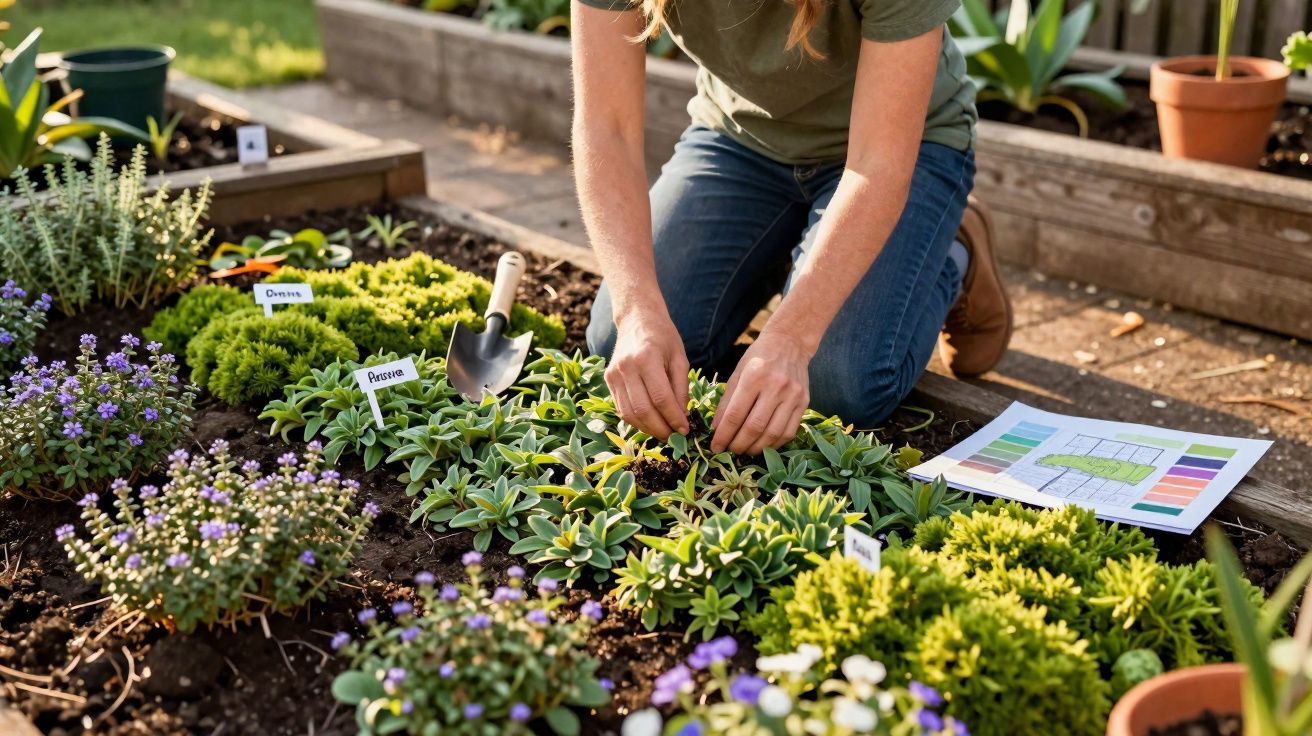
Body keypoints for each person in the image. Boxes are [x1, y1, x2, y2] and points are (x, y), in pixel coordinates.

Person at [573, 0, 1011, 456]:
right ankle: (798, 243)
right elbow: (607, 129)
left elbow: (878, 165)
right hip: (740, 140)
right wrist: (634, 308)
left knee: (834, 384)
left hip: (900, 149)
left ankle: (953, 249)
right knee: (618, 344)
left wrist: (792, 337)